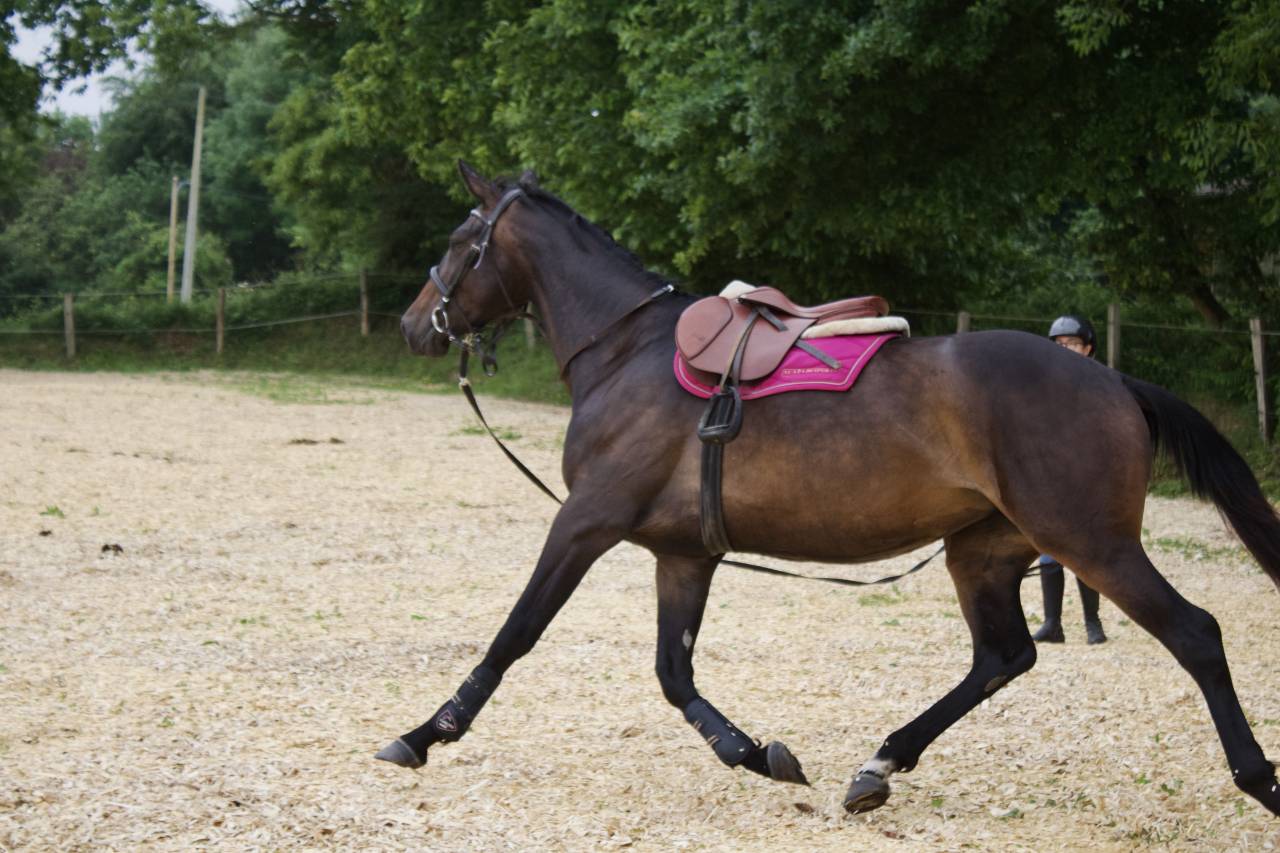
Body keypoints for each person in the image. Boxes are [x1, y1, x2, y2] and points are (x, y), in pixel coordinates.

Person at [1031, 314, 1107, 645]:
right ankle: (1053, 623)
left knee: (1086, 550)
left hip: (1087, 473)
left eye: (1072, 344)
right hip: (1052, 474)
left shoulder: (1099, 384)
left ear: (1087, 348)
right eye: (1059, 344)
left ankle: (1093, 622)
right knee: (1049, 550)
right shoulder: (1043, 386)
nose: (1064, 349)